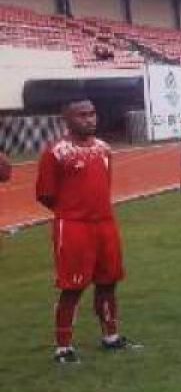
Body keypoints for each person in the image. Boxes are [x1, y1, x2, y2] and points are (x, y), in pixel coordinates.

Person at [35, 97, 136, 363]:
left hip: (104, 223)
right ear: (66, 119)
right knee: (73, 287)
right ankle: (63, 347)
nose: (90, 119)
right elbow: (45, 195)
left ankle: (110, 336)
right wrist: (72, 212)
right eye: (82, 115)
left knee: (108, 282)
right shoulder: (56, 152)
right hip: (74, 227)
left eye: (92, 113)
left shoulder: (104, 148)